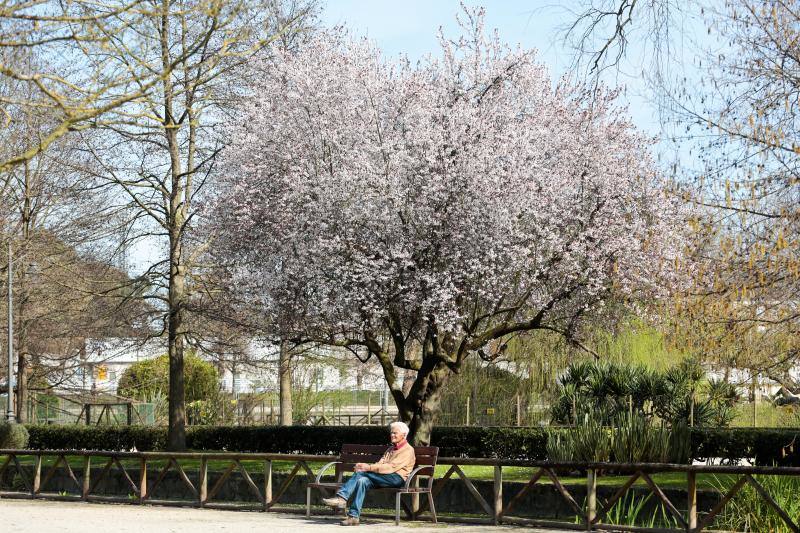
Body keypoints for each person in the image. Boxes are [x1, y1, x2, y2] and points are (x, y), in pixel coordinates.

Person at [322, 421, 416, 526]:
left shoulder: (408, 450)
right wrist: (365, 467)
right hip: (384, 477)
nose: (392, 435)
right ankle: (353, 517)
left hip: (397, 478)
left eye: (395, 433)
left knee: (361, 474)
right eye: (391, 433)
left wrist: (368, 468)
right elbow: (380, 463)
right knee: (362, 481)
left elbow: (390, 468)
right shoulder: (390, 449)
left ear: (404, 435)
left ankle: (342, 498)